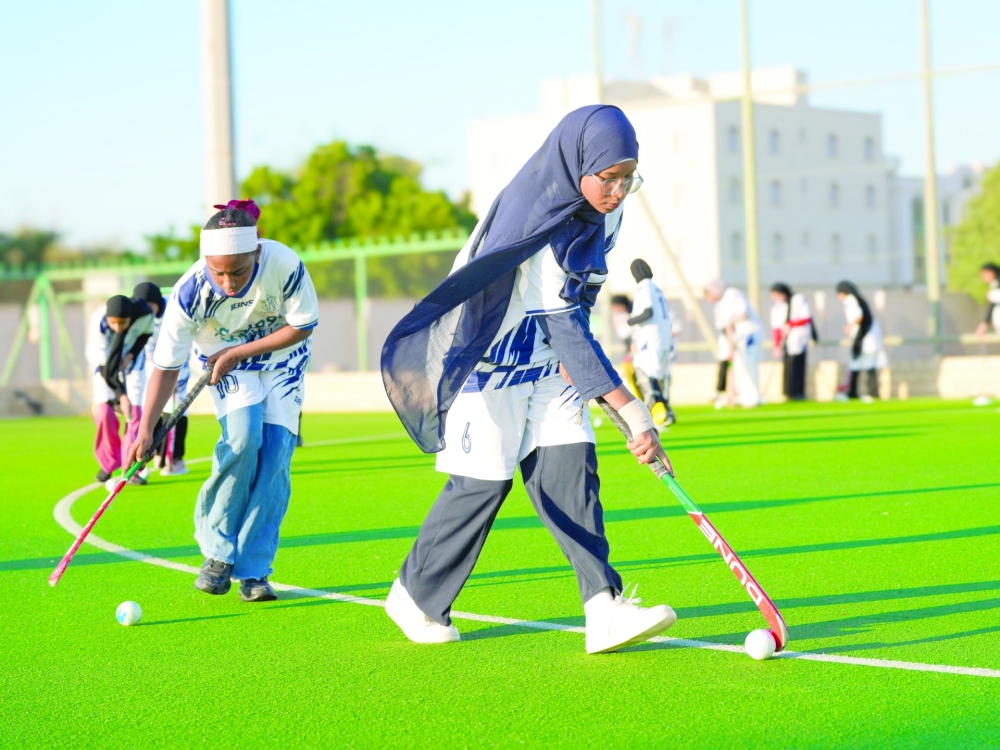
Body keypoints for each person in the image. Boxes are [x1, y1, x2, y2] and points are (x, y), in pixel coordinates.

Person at [380, 105, 677, 654]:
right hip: (483, 358)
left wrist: (590, 379)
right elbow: (563, 322)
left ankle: (604, 608)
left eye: (627, 177)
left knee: (571, 468)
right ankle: (414, 596)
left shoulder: (607, 213)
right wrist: (633, 412)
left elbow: (576, 305)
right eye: (607, 178)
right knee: (483, 486)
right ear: (578, 164)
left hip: (546, 354)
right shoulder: (541, 219)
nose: (616, 190)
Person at [126, 199, 319, 603]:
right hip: (224, 364)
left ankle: (254, 570)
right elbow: (164, 366)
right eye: (219, 272)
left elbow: (301, 326)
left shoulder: (283, 264)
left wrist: (240, 352)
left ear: (257, 251)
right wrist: (145, 429)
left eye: (239, 271)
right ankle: (217, 552)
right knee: (243, 440)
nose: (229, 284)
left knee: (276, 456)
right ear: (204, 262)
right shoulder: (189, 293)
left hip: (283, 360)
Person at [85, 294, 155, 485]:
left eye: (122, 323)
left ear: (130, 318)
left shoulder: (144, 315)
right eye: (113, 323)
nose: (117, 328)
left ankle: (130, 468)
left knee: (135, 415)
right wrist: (121, 395)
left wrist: (131, 355)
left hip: (133, 365)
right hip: (105, 366)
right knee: (104, 414)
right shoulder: (99, 322)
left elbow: (145, 335)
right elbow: (106, 369)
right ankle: (109, 463)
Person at [132, 281, 190, 476]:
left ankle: (175, 459)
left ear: (156, 301)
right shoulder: (141, 315)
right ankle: (155, 455)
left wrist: (174, 375)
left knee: (179, 410)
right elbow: (147, 345)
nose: (146, 309)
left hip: (180, 364)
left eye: (149, 305)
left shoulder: (174, 310)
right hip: (155, 368)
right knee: (153, 408)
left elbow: (185, 342)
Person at [627, 258, 675, 426]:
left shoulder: (643, 288)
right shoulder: (657, 289)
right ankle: (668, 411)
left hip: (650, 339)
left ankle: (659, 411)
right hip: (663, 338)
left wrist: (630, 321)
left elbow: (647, 312)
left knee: (645, 373)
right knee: (660, 374)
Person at [704, 279, 762, 408]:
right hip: (736, 338)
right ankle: (745, 397)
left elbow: (743, 314)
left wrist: (731, 322)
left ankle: (752, 398)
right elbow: (726, 328)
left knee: (748, 365)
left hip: (748, 334)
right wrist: (731, 346)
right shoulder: (718, 305)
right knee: (740, 367)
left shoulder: (732, 294)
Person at [835, 281, 885, 402]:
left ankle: (871, 393)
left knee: (867, 364)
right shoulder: (858, 299)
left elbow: (859, 316)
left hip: (865, 337)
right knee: (858, 364)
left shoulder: (850, 299)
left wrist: (849, 325)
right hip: (865, 337)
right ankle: (854, 392)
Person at [769, 283, 814, 401]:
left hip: (799, 338)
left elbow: (806, 317)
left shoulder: (798, 299)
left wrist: (791, 324)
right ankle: (788, 392)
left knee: (798, 365)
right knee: (788, 366)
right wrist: (777, 346)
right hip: (786, 342)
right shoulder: (776, 308)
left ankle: (798, 392)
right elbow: (776, 329)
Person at [974, 262, 1000, 338]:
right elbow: (992, 305)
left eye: (984, 274)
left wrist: (993, 295)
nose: (983, 278)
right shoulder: (995, 284)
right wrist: (985, 322)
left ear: (991, 272)